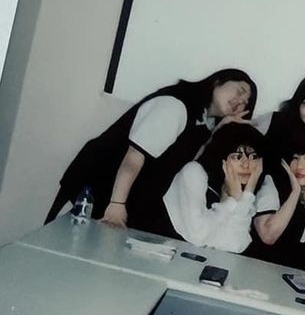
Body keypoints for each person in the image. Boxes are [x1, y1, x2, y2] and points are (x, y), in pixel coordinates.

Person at [46, 69, 257, 234]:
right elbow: (133, 158)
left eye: (245, 103)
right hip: (99, 187)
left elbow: (185, 162)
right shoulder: (174, 106)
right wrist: (116, 204)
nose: (240, 102)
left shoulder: (204, 122)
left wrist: (222, 128)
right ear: (217, 81)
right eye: (239, 92)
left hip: (130, 194)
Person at [162, 124, 266, 252]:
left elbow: (237, 246)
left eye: (253, 157)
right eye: (237, 156)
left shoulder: (234, 188)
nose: (246, 164)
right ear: (221, 156)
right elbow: (198, 235)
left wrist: (248, 193)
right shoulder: (194, 172)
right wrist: (231, 202)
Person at [245, 133, 305, 272]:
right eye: (295, 158)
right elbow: (267, 235)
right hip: (258, 269)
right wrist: (295, 193)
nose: (300, 166)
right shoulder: (272, 184)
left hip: (298, 278)